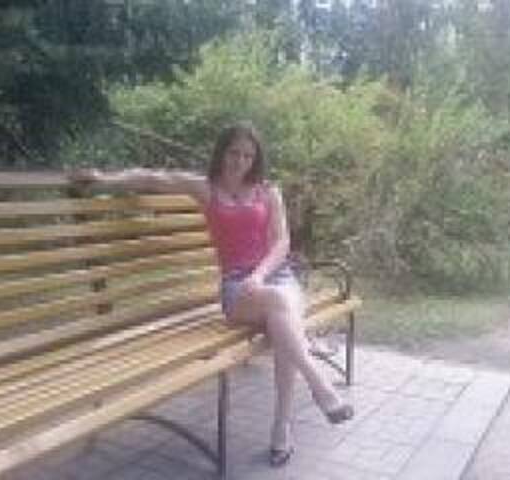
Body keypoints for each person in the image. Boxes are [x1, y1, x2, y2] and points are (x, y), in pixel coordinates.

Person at [70, 122, 354, 467]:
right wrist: (103, 179)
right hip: (237, 288)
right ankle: (318, 386)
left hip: (275, 276)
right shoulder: (205, 188)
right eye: (234, 152)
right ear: (222, 152)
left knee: (283, 322)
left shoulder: (268, 192)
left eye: (248, 155)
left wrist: (259, 275)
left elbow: (282, 243)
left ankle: (282, 426)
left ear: (256, 159)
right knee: (284, 312)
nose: (240, 161)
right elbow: (154, 178)